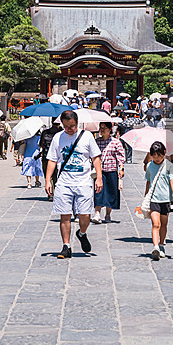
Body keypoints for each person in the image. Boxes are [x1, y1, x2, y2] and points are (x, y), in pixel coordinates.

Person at [45, 110, 102, 259]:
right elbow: (52, 160)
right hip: (64, 182)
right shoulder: (58, 138)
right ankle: (66, 246)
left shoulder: (87, 136)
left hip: (83, 181)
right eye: (66, 126)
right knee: (65, 215)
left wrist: (99, 177)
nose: (69, 129)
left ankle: (82, 233)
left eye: (72, 126)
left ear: (77, 123)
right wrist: (48, 180)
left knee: (85, 215)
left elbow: (96, 158)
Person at [144, 141, 173, 261]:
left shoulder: (169, 166)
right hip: (154, 199)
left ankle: (162, 244)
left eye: (159, 155)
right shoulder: (149, 166)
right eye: (154, 156)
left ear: (164, 153)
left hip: (166, 200)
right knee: (156, 224)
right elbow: (148, 181)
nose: (157, 158)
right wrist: (146, 196)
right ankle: (156, 247)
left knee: (163, 224)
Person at [92, 122, 125, 224]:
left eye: (104, 128)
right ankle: (97, 214)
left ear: (110, 129)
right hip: (100, 171)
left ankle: (108, 214)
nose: (102, 130)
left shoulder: (116, 142)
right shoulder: (96, 142)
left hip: (111, 171)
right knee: (98, 192)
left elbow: (120, 157)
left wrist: (121, 169)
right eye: (100, 128)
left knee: (111, 193)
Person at [39, 119, 62, 198]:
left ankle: (51, 194)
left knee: (48, 175)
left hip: (46, 156)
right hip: (58, 157)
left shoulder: (45, 132)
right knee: (57, 175)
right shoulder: (61, 133)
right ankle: (57, 192)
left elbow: (41, 145)